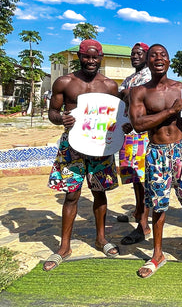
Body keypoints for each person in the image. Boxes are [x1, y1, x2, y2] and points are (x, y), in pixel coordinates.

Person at [129, 44, 182, 278]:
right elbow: (139, 124)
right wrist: (171, 111)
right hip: (157, 151)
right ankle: (157, 254)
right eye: (154, 55)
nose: (159, 59)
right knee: (158, 204)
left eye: (163, 55)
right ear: (148, 61)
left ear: (169, 61)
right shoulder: (139, 92)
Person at [44, 39, 120, 271]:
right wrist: (61, 119)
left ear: (101, 57)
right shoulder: (65, 82)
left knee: (99, 192)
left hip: (100, 147)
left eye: (95, 56)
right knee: (71, 195)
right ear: (79, 56)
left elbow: (117, 118)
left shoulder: (109, 86)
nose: (90, 60)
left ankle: (101, 239)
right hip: (72, 146)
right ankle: (64, 246)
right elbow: (53, 113)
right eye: (86, 56)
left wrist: (122, 128)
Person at [116, 42, 152, 245]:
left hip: (142, 133)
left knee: (143, 179)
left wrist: (127, 94)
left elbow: (129, 96)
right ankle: (139, 212)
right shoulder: (130, 78)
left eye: (139, 53)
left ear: (146, 56)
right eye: (133, 54)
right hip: (128, 133)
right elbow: (121, 96)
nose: (135, 56)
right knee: (134, 178)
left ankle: (143, 225)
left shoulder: (148, 76)